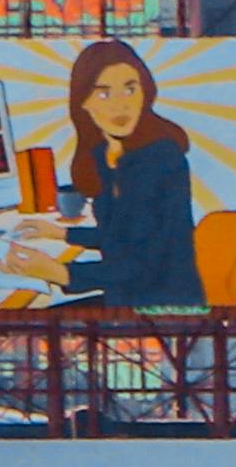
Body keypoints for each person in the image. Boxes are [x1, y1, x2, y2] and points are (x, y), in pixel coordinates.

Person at [51, 37, 206, 310]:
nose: (121, 105)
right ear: (83, 103)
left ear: (145, 92)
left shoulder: (161, 158)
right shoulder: (104, 155)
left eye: (130, 89)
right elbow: (119, 237)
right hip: (125, 294)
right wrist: (60, 234)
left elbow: (141, 262)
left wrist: (60, 272)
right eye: (104, 93)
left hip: (164, 303)